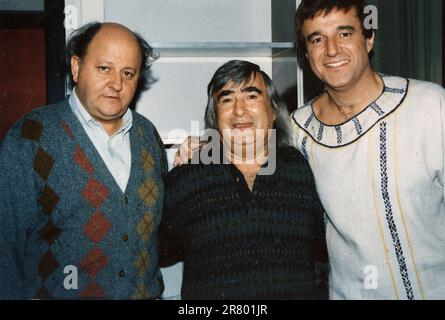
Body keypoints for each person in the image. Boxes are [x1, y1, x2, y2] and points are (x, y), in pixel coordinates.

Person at [0, 22, 167, 299]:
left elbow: (156, 234)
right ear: (76, 68)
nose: (117, 84)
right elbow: (4, 247)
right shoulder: (31, 136)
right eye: (104, 68)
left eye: (128, 73)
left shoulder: (147, 135)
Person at [292, 0, 445, 299]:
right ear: (307, 52)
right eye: (318, 39)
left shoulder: (431, 105)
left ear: (370, 38)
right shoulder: (297, 130)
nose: (332, 50)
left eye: (345, 33)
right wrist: (202, 149)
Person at [159, 60, 327, 300]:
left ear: (272, 112)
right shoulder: (187, 177)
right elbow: (157, 249)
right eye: (226, 99)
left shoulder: (302, 168)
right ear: (214, 118)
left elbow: (327, 248)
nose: (239, 110)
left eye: (251, 96)